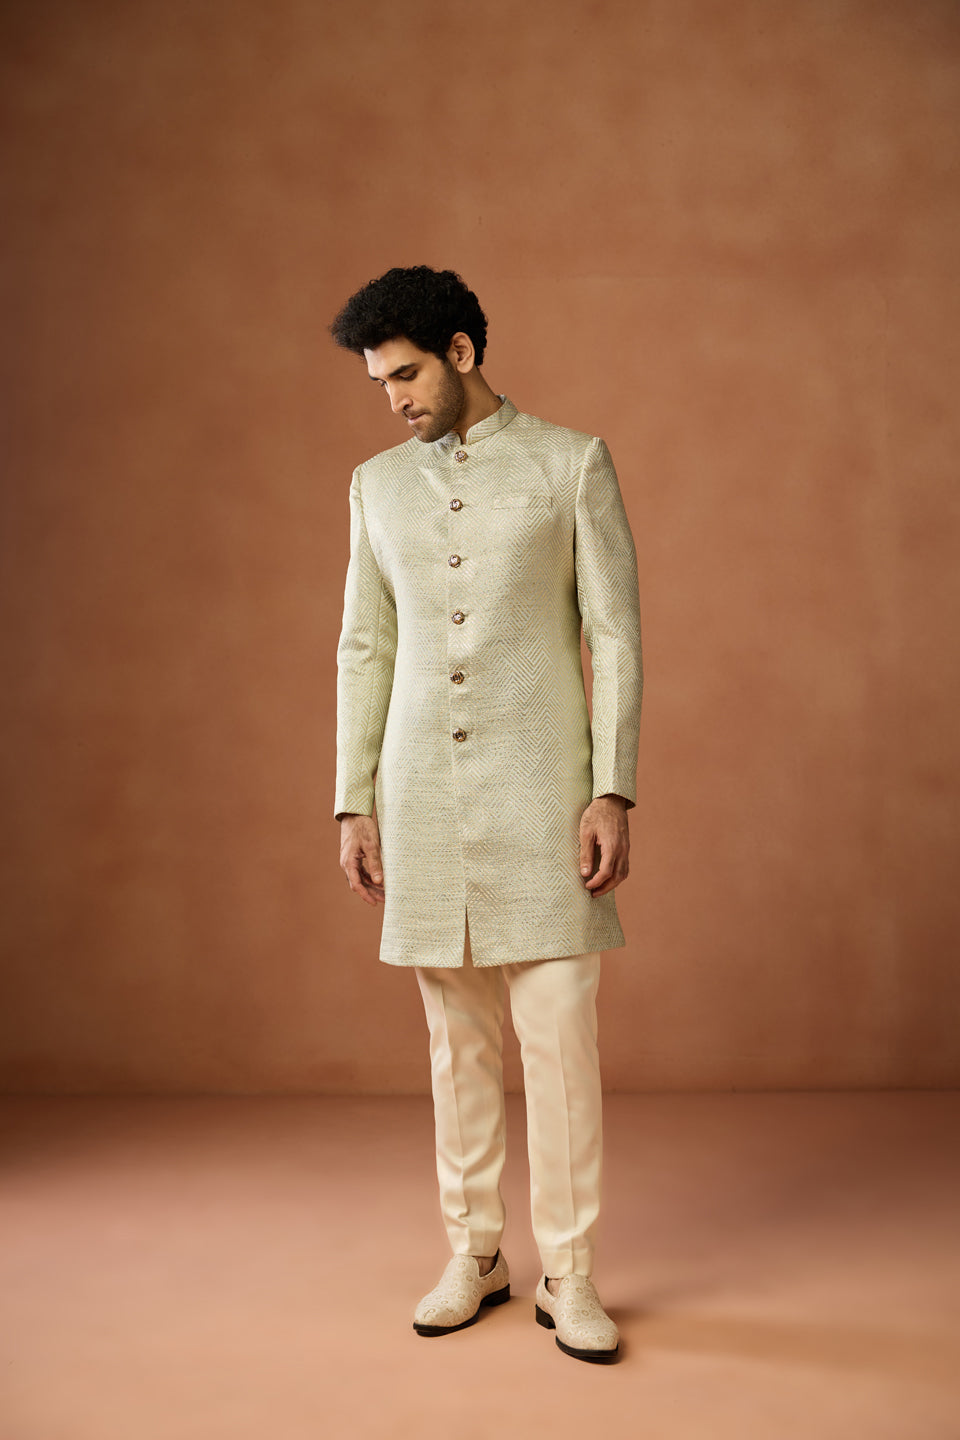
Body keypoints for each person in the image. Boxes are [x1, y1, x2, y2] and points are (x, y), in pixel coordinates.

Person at [331, 266, 642, 1364]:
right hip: (420, 798)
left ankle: (572, 1273)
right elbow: (364, 647)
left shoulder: (571, 463)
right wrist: (353, 799)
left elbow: (614, 635)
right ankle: (475, 1254)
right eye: (381, 382)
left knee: (558, 1045)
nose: (395, 399)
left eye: (408, 374)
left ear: (462, 352)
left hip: (546, 799)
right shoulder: (375, 486)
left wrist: (612, 787)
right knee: (454, 1048)